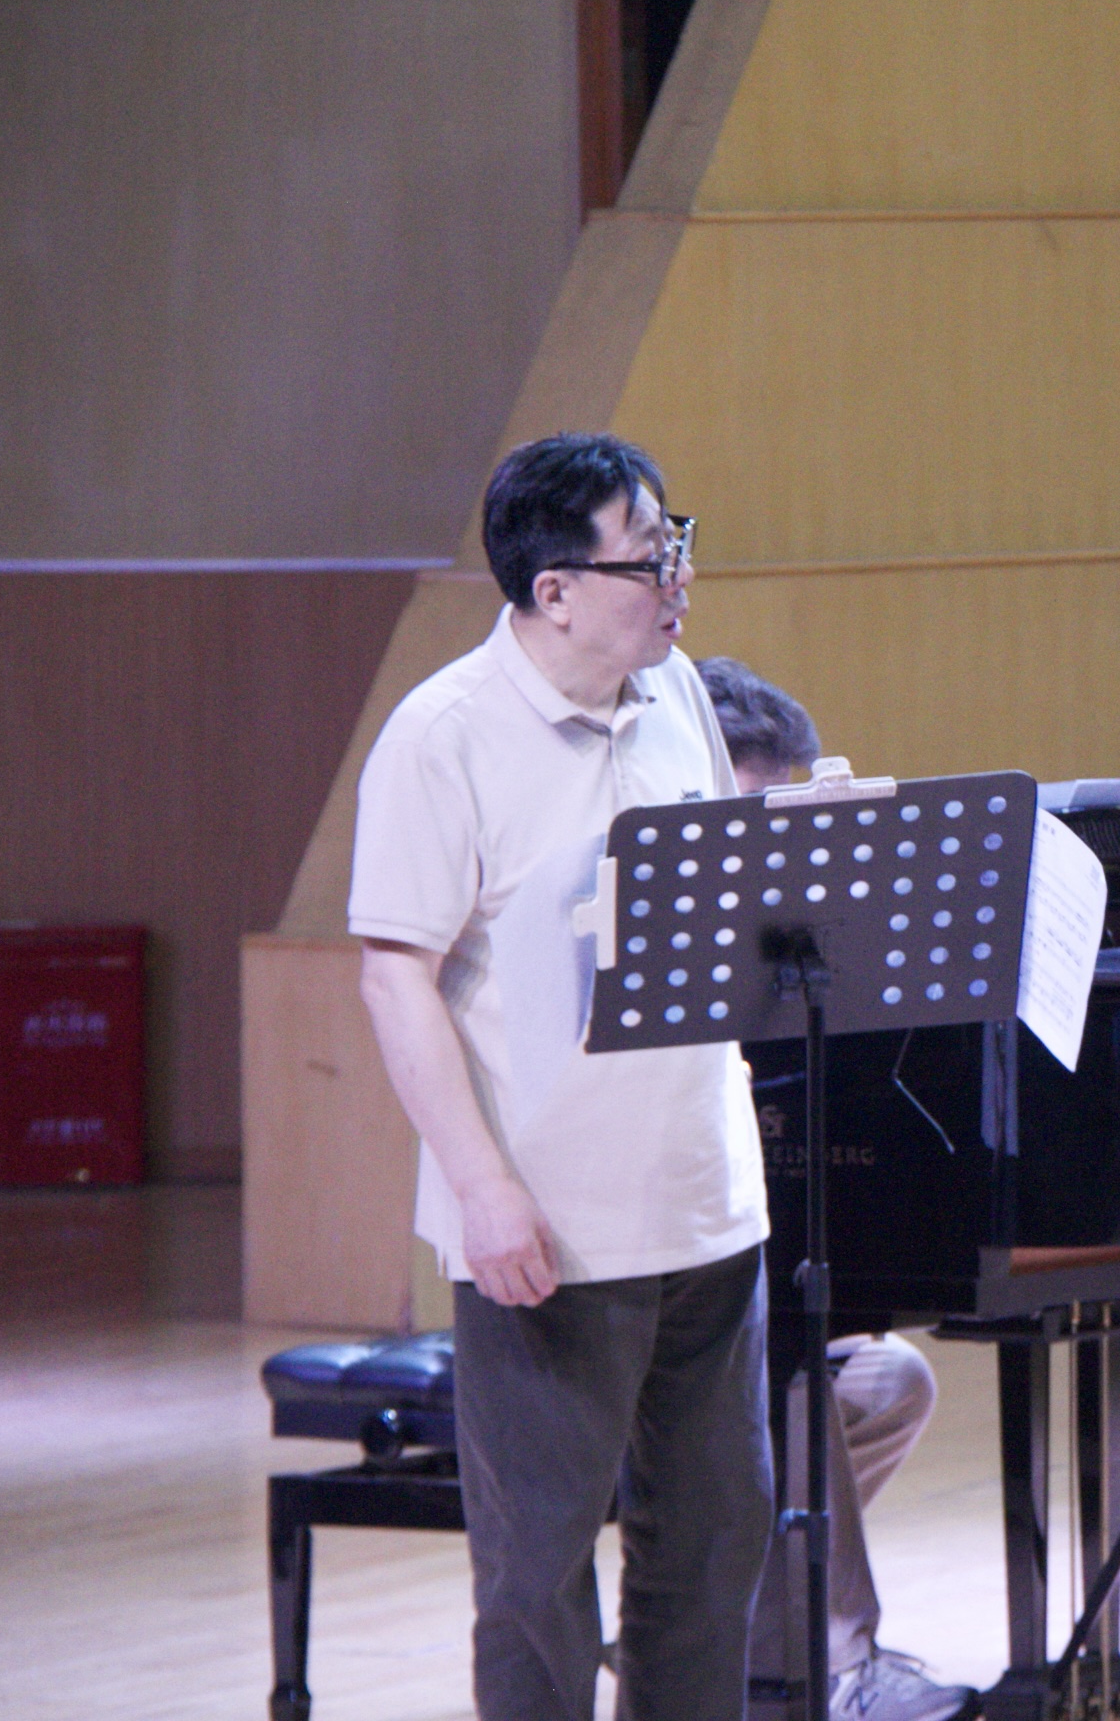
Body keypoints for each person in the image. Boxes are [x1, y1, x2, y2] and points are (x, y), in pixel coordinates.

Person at [352, 432, 771, 1719]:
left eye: (676, 541)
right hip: (545, 1223)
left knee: (714, 1550)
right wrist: (484, 1192)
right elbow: (395, 977)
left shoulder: (678, 693)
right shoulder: (443, 735)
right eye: (650, 555)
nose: (678, 576)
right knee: (538, 1577)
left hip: (704, 1204)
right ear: (556, 590)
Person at [696, 654, 973, 1721]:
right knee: (794, 1380)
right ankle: (833, 1666)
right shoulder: (657, 936)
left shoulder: (800, 968)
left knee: (885, 1377)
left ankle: (725, 1625)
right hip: (637, 1303)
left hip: (736, 1304)